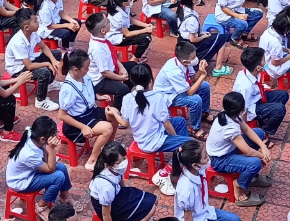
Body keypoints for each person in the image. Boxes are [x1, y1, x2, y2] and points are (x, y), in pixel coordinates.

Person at [120, 63, 191, 195]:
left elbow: (124, 123)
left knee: (180, 121)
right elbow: (166, 124)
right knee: (190, 145)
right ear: (151, 81)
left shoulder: (127, 98)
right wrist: (179, 143)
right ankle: (165, 173)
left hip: (142, 136)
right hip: (153, 141)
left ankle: (182, 162)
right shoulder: (157, 98)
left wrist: (113, 113)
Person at [58, 48, 122, 171]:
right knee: (107, 128)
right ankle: (92, 159)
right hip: (77, 123)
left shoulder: (84, 76)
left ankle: (109, 146)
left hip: (90, 112)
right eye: (86, 68)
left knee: (114, 113)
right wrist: (83, 127)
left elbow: (87, 92)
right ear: (76, 69)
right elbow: (62, 115)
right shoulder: (68, 89)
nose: (88, 70)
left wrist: (98, 96)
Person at [206, 91, 272, 207]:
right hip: (220, 160)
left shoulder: (229, 114)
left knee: (259, 133)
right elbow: (248, 152)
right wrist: (262, 156)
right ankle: (238, 186)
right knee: (255, 163)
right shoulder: (230, 129)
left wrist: (263, 147)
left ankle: (250, 176)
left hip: (229, 150)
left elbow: (247, 130)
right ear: (240, 110)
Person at [5, 115, 74, 214]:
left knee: (62, 167)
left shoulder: (34, 137)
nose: (57, 135)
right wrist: (51, 148)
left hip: (29, 172)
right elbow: (50, 169)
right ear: (43, 139)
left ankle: (64, 197)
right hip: (21, 182)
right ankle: (42, 205)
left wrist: (48, 148)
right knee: (58, 177)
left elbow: (46, 162)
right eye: (54, 134)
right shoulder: (29, 154)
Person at [170, 138, 242, 221]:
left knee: (235, 219)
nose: (208, 158)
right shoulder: (186, 190)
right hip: (196, 218)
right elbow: (188, 218)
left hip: (204, 212)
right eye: (205, 157)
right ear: (195, 165)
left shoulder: (199, 169)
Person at [90, 140, 158, 221]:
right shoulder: (106, 187)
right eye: (118, 162)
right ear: (107, 166)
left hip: (118, 195)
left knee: (155, 200)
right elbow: (105, 214)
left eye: (124, 158)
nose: (123, 163)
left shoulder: (116, 169)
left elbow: (121, 182)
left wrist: (128, 194)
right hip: (110, 207)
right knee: (152, 209)